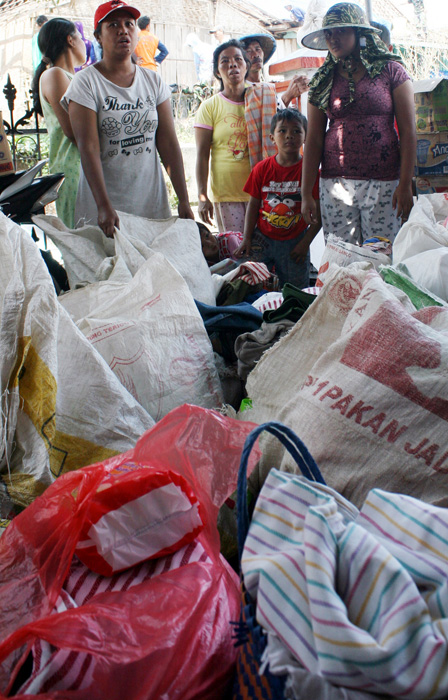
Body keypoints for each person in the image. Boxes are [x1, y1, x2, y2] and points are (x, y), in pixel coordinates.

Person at [62, 0, 193, 236]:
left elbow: (169, 144)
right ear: (98, 37)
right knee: (110, 270)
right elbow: (87, 147)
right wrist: (103, 205)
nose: (123, 30)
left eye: (129, 24)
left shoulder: (153, 82)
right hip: (105, 207)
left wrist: (183, 199)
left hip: (150, 203)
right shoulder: (86, 83)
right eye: (113, 25)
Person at [300, 2, 416, 245]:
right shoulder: (322, 80)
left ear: (359, 32)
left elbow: (408, 133)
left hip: (385, 183)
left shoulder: (392, 72)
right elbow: (314, 139)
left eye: (341, 31)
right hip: (336, 184)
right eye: (329, 33)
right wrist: (305, 194)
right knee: (342, 262)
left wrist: (405, 184)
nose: (333, 39)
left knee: (381, 258)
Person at [195, 39, 278, 233]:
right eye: (225, 61)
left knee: (264, 256)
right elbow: (202, 155)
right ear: (217, 71)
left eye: (238, 59)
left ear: (246, 66)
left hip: (263, 193)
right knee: (236, 255)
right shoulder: (209, 107)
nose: (232, 64)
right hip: (227, 195)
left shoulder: (264, 98)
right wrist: (202, 196)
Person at [235, 109, 321, 289]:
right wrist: (247, 238)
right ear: (272, 137)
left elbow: (321, 213)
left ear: (305, 137)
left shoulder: (311, 171)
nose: (289, 135)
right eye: (282, 131)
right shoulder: (261, 169)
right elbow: (253, 205)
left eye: (297, 131)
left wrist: (305, 243)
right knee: (246, 283)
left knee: (296, 292)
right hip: (262, 238)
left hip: (296, 241)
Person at [32, 18, 86, 228]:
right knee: (81, 239)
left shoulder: (71, 76)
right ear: (70, 40)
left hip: (85, 166)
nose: (84, 43)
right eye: (81, 38)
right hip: (75, 168)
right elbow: (74, 130)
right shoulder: (54, 74)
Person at [239, 33, 309, 109]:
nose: (256, 54)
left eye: (258, 49)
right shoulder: (242, 90)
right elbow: (268, 117)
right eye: (249, 51)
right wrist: (288, 96)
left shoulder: (266, 86)